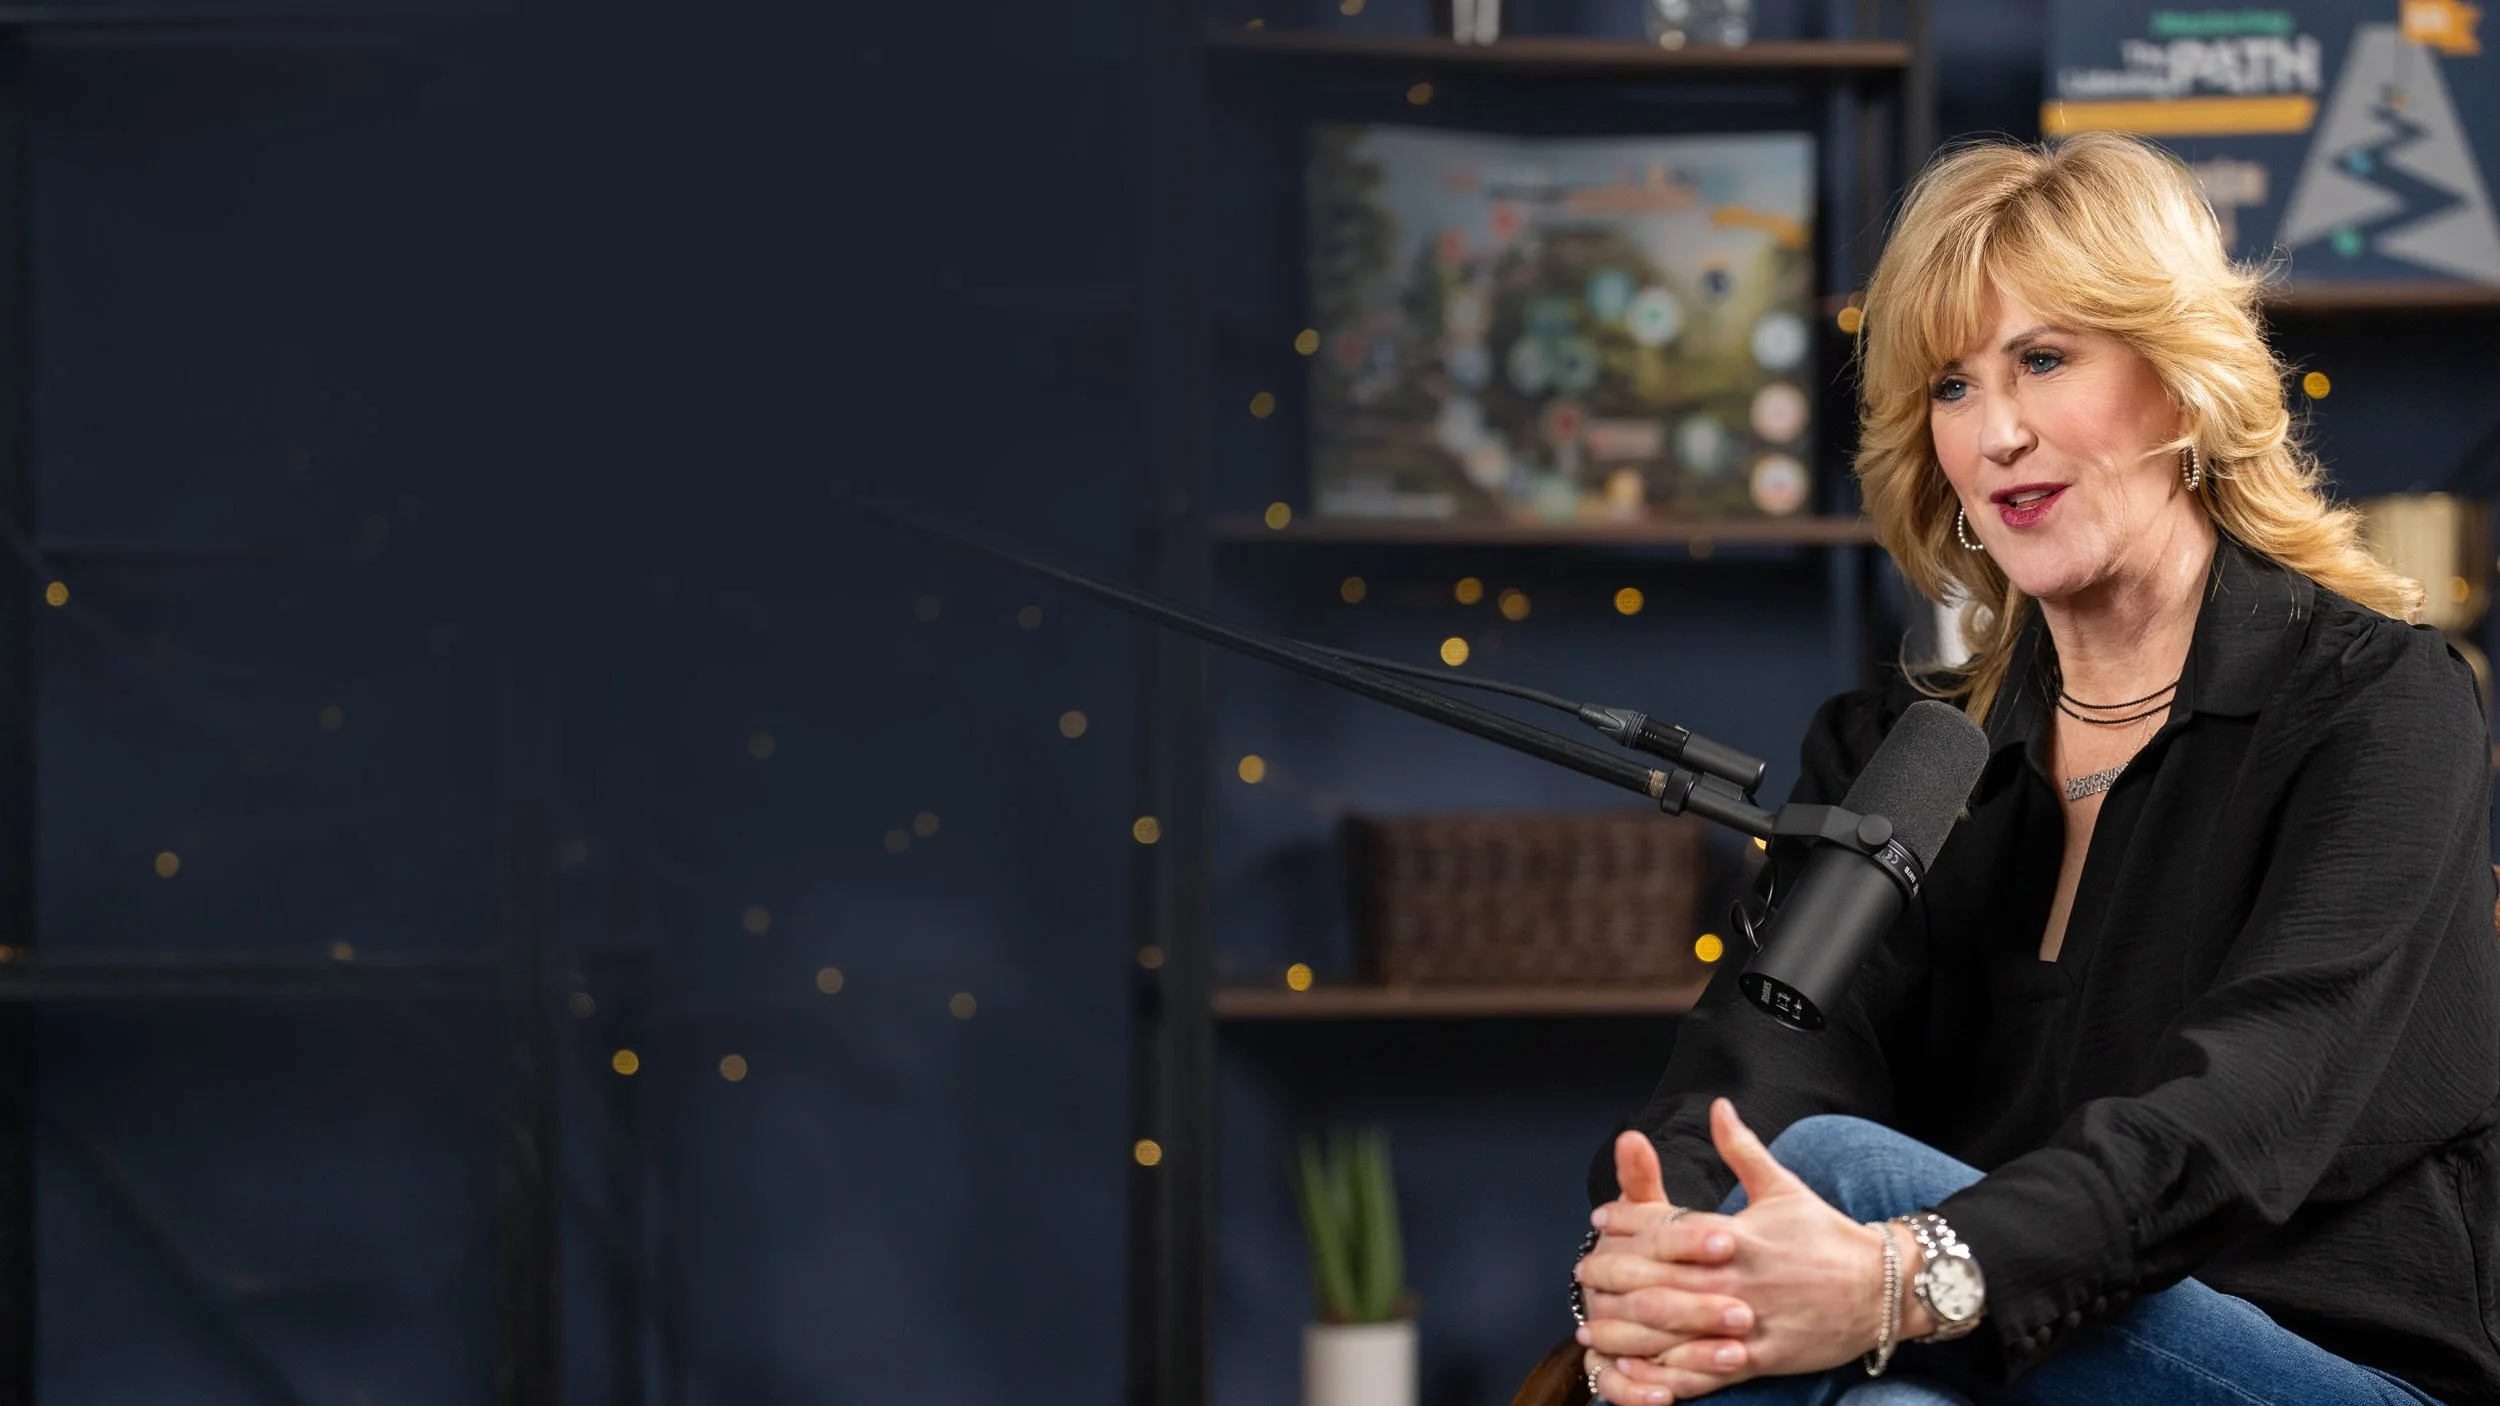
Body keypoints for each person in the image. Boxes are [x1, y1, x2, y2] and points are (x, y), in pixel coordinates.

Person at [1569, 133, 2500, 1405]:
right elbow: (1757, 1059)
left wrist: (1907, 1275)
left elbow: (2245, 1111)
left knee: (1839, 1166)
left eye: (2043, 360)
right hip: (1993, 1363)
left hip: (2326, 1368)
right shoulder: (1897, 755)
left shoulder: (2376, 704)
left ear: (2178, 382)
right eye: (1951, 386)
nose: (1996, 431)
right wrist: (1652, 1246)